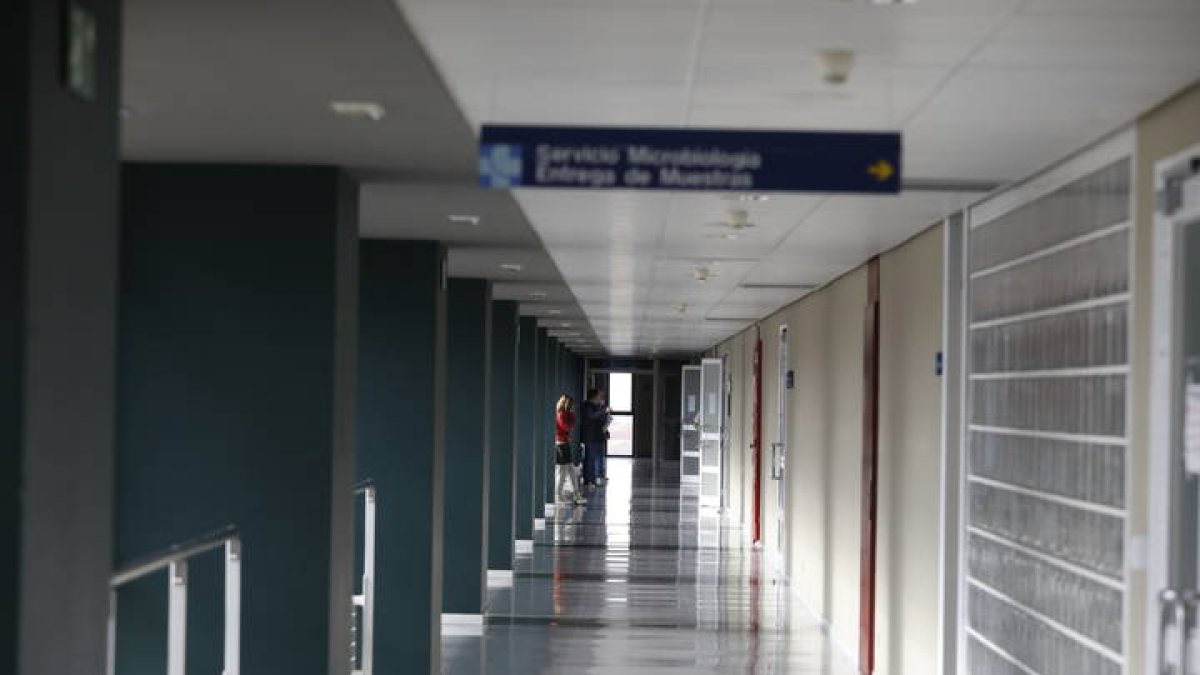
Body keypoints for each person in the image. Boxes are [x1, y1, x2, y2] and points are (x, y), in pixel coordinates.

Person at [554, 395, 586, 505]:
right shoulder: (561, 414)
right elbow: (566, 427)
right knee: (563, 471)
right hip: (561, 444)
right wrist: (572, 417)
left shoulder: (562, 414)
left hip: (564, 443)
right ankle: (559, 494)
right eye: (572, 405)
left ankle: (576, 493)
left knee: (570, 470)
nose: (573, 407)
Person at [580, 389, 610, 488]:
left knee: (597, 458)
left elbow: (601, 419)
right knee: (590, 459)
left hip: (598, 436)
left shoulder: (598, 407)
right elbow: (592, 416)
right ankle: (589, 480)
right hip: (590, 436)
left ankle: (595, 478)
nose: (601, 398)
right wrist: (602, 410)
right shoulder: (586, 406)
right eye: (599, 396)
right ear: (594, 396)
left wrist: (606, 416)